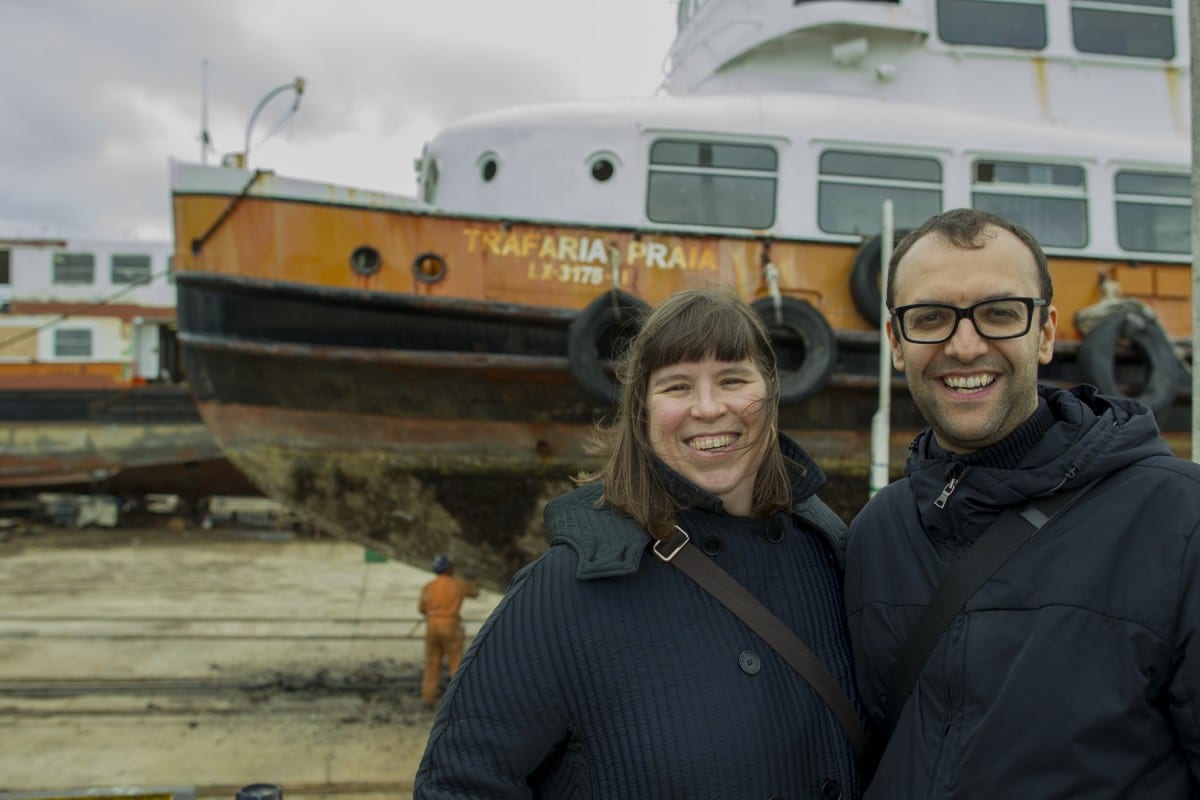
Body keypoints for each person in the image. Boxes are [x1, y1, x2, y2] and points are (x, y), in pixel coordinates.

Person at [414, 287, 864, 798]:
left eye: (733, 379)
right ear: (642, 414)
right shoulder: (567, 591)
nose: (709, 407)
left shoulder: (829, 554)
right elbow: (459, 782)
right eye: (677, 387)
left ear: (772, 394)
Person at [844, 208, 1200, 797]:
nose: (965, 345)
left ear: (1046, 332)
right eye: (931, 317)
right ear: (896, 342)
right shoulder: (877, 531)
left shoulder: (1178, 519)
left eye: (999, 314)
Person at [418, 554, 479, 709]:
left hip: (432, 625)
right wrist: (471, 578)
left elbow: (422, 608)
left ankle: (427, 699)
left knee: (432, 663)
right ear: (449, 569)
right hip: (451, 625)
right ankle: (459, 699)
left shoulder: (429, 586)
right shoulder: (457, 584)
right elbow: (474, 592)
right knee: (456, 663)